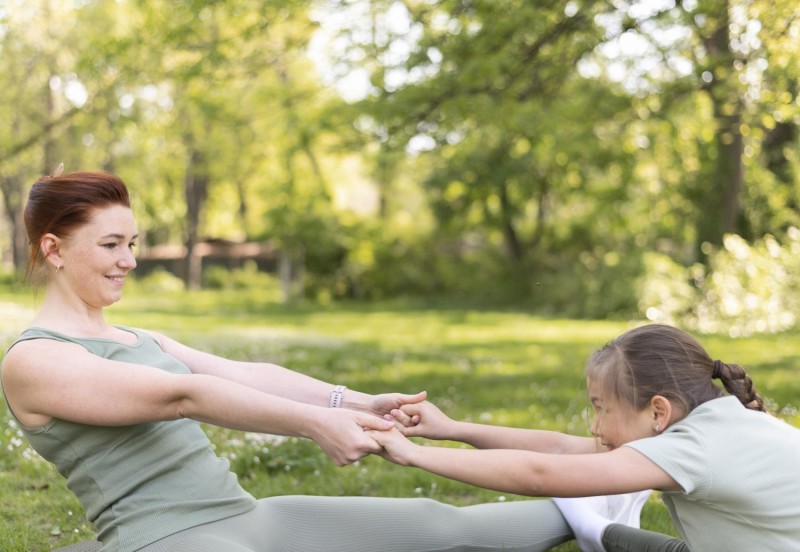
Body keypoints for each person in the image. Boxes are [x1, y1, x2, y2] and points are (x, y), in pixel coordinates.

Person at [1, 169, 647, 552]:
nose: (130, 260)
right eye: (111, 244)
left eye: (133, 243)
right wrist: (315, 426)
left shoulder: (139, 337)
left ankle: (608, 501)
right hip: (167, 539)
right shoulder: (34, 361)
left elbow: (241, 374)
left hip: (243, 517)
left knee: (433, 526)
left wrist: (355, 404)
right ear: (54, 250)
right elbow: (183, 397)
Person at [373, 324, 800, 551]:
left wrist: (414, 455)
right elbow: (560, 448)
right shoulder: (718, 422)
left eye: (601, 408)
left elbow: (543, 473)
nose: (594, 427)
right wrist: (451, 430)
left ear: (657, 411)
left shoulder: (696, 448)